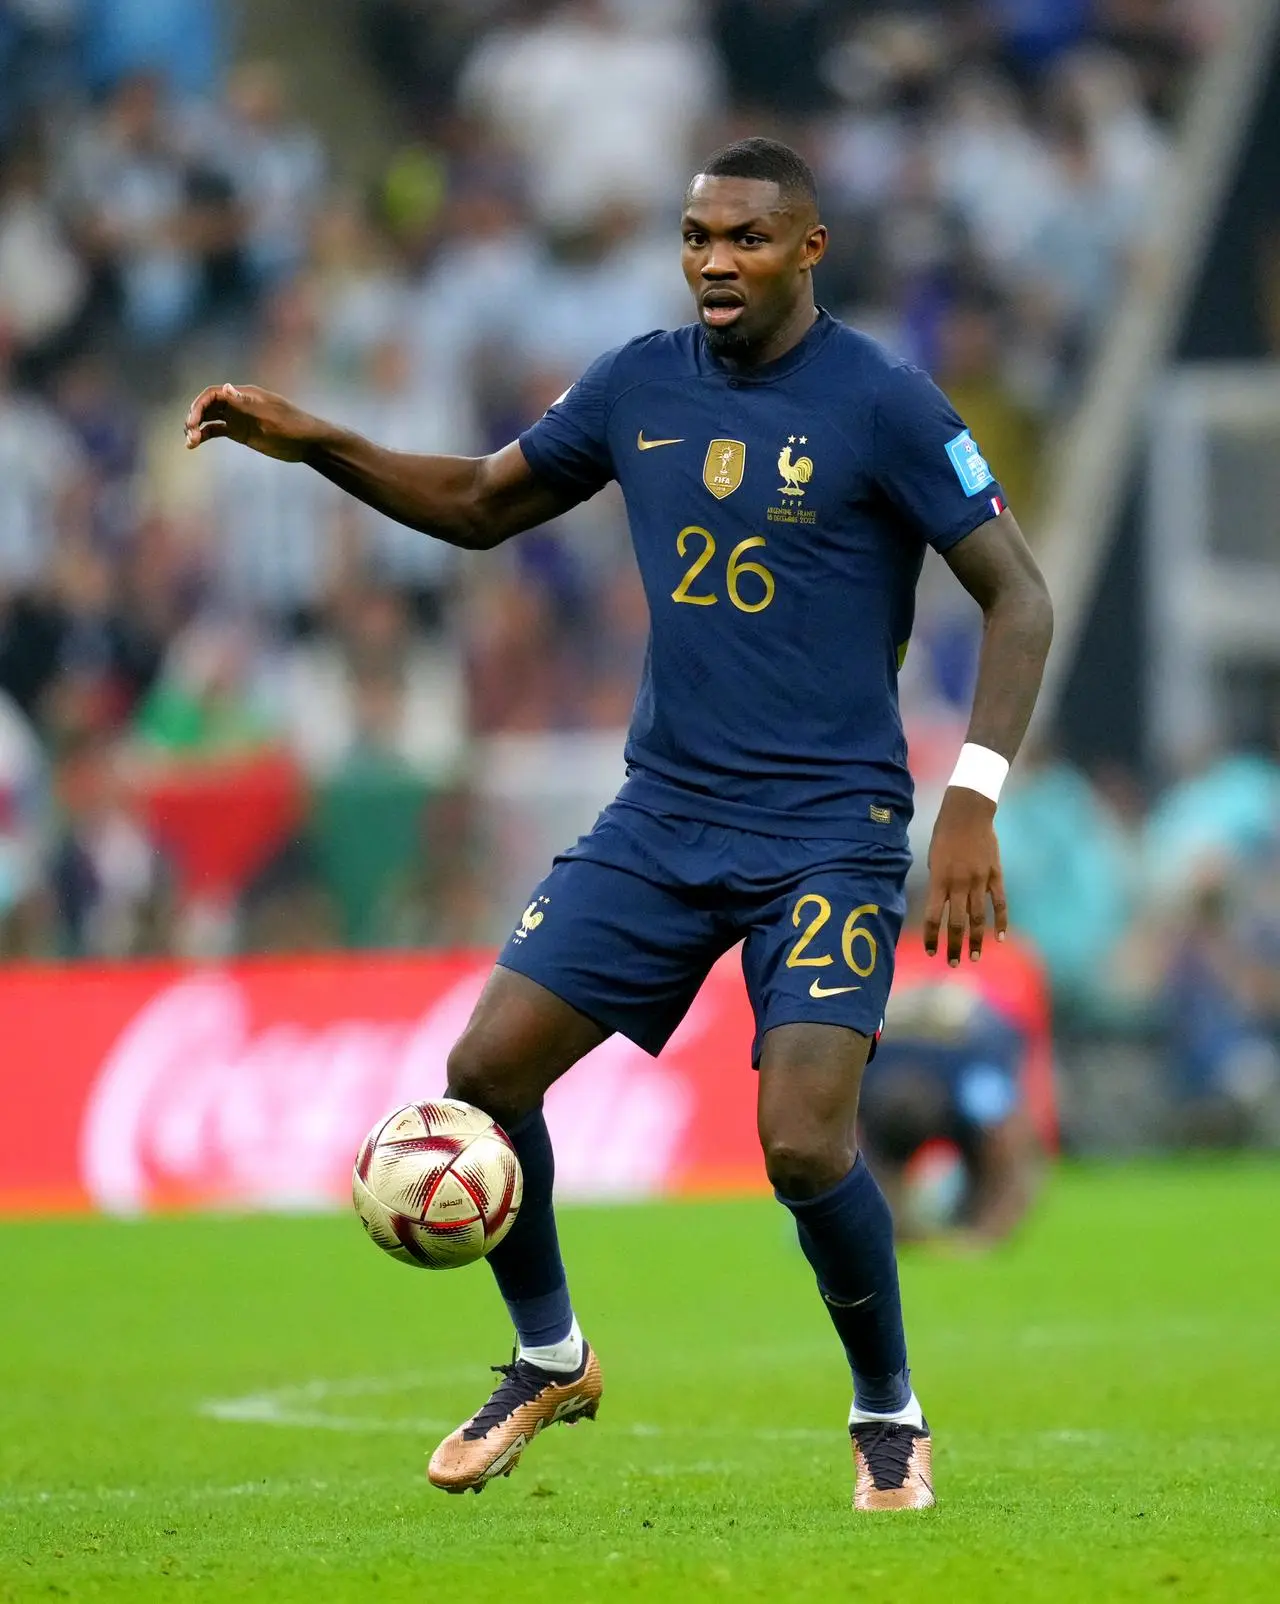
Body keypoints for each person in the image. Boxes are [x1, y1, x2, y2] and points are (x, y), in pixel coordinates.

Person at [184, 138, 1054, 1512]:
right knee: (484, 1071)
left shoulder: (883, 402)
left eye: (750, 238)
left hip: (829, 829)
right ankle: (550, 1356)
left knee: (807, 1144)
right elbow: (481, 505)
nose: (717, 259)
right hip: (665, 814)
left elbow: (1020, 596)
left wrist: (973, 806)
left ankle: (887, 1408)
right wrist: (324, 447)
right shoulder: (638, 382)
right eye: (700, 235)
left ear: (809, 249)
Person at [858, 979, 1043, 1247]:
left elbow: (1011, 1146)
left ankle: (971, 1217)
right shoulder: (864, 1070)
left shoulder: (972, 1074)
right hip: (893, 1036)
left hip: (973, 1032)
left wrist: (987, 1235)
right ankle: (895, 1221)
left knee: (988, 1166)